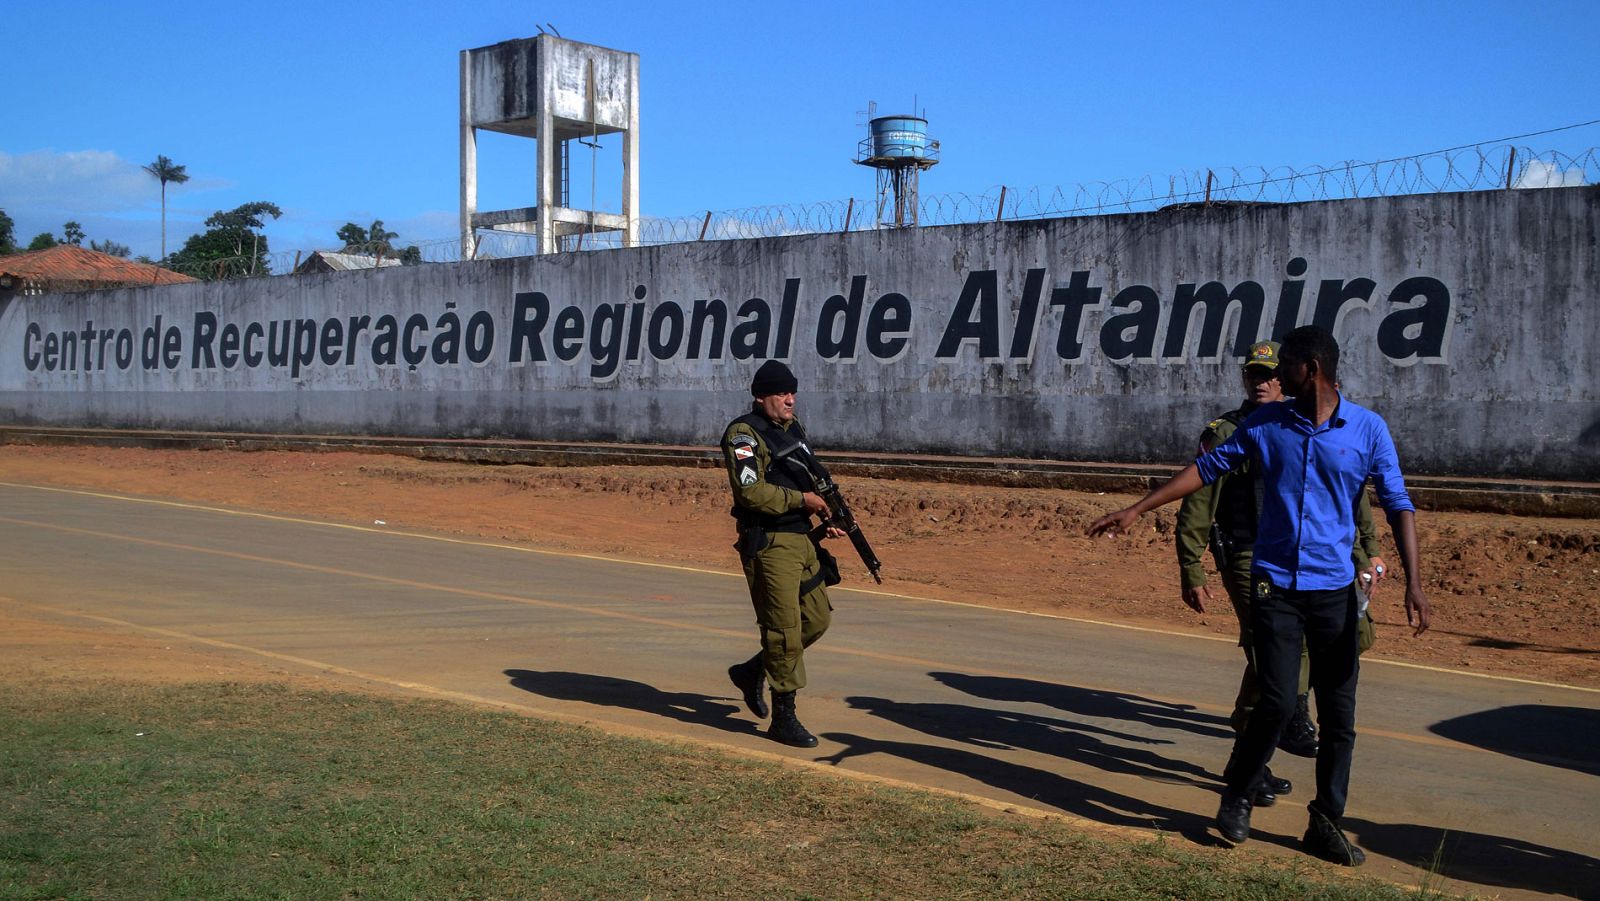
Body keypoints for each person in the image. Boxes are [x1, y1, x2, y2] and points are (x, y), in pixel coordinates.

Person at [1089, 325, 1430, 866]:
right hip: (1275, 587)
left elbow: (1397, 503)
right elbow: (1205, 470)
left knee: (1339, 717)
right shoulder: (1266, 425)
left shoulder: (1367, 430)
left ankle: (1326, 821)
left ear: (1310, 368)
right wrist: (1137, 508)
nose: (1273, 378)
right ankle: (1238, 791)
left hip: (1335, 592)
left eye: (1285, 366)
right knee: (1275, 700)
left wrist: (1413, 581)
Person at [1173, 342, 1389, 809]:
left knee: (1328, 646)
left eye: (1272, 374)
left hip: (1316, 564)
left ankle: (1275, 730)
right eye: (1254, 374)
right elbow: (1199, 498)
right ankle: (1257, 748)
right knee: (1272, 658)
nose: (1264, 382)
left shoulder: (1326, 426)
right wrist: (1191, 566)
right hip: (1253, 560)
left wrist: (1366, 552)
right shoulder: (1233, 430)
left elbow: (1350, 499)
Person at [722, 359, 844, 749]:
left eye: (792, 392)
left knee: (817, 619)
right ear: (761, 397)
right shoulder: (744, 435)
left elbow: (805, 476)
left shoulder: (792, 429)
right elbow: (751, 492)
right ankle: (784, 717)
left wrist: (826, 514)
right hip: (770, 543)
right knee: (784, 631)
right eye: (781, 392)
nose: (790, 399)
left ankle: (753, 669)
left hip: (803, 539)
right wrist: (802, 500)